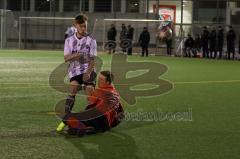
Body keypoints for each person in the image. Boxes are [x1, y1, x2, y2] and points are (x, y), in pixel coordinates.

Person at [56, 13, 97, 132]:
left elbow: (93, 60)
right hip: (74, 71)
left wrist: (88, 73)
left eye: (85, 26)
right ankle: (65, 119)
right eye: (82, 26)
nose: (84, 28)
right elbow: (66, 58)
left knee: (90, 93)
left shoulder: (91, 40)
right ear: (76, 26)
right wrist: (78, 54)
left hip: (88, 69)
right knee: (73, 88)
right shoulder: (69, 40)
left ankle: (91, 121)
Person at [63, 71, 124, 136]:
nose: (98, 81)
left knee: (67, 118)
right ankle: (92, 129)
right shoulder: (116, 93)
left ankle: (84, 129)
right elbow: (121, 113)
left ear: (107, 82)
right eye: (98, 78)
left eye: (101, 79)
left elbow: (90, 106)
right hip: (106, 124)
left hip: (97, 118)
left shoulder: (99, 92)